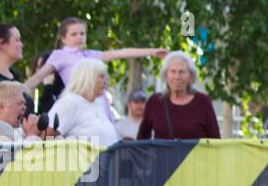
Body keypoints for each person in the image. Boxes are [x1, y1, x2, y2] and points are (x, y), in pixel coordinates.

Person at [23, 17, 165, 120]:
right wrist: (16, 91)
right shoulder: (60, 56)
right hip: (81, 111)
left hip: (102, 109)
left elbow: (122, 52)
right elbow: (37, 78)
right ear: (63, 38)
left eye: (82, 33)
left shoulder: (91, 54)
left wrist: (152, 52)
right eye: (74, 34)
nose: (79, 37)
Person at [137, 52, 220, 140]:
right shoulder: (155, 102)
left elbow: (215, 140)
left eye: (182, 72)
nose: (177, 76)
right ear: (166, 76)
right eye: (173, 71)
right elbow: (141, 139)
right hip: (163, 154)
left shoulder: (203, 102)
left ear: (190, 77)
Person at [49, 60, 120, 146]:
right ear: (87, 77)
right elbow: (47, 135)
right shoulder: (69, 102)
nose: (106, 81)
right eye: (101, 77)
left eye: (105, 77)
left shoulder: (98, 103)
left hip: (108, 158)